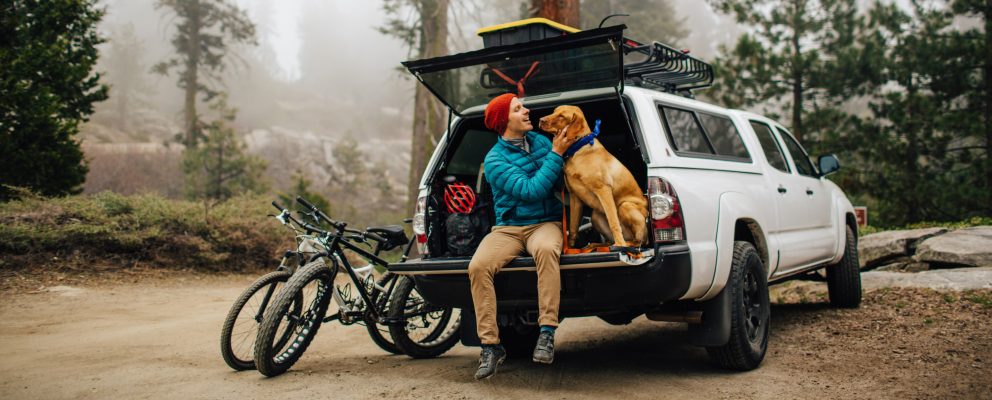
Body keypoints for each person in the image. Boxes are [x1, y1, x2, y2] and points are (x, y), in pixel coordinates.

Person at [469, 93, 576, 380]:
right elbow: (531, 190)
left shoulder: (541, 141)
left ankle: (547, 331)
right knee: (478, 266)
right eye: (519, 109)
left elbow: (560, 179)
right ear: (505, 121)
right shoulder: (494, 160)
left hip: (545, 223)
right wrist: (555, 155)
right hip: (509, 228)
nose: (527, 111)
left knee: (545, 249)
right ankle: (491, 345)